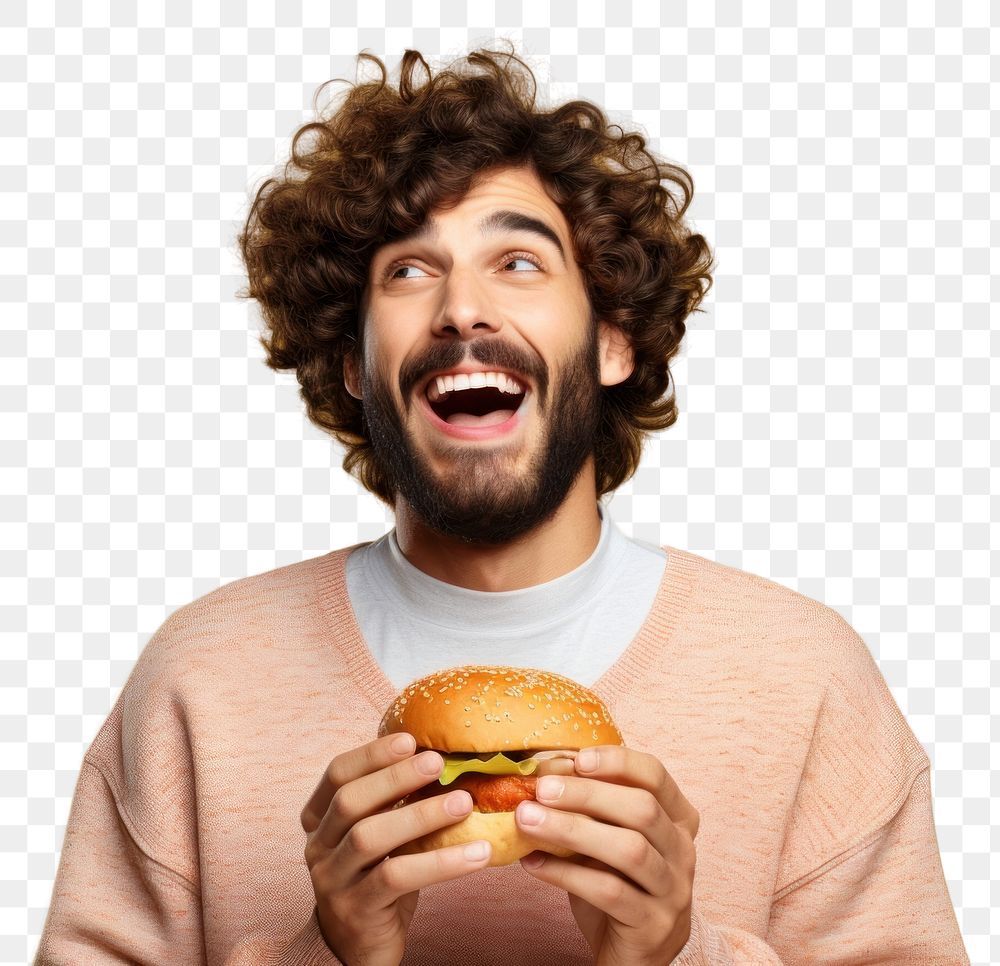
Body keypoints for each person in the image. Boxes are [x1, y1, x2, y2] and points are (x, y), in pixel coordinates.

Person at [36, 45, 969, 966]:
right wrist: (322, 953)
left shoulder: (803, 676)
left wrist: (680, 955)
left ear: (612, 340)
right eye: (407, 271)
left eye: (517, 261)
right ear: (356, 366)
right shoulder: (199, 678)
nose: (461, 310)